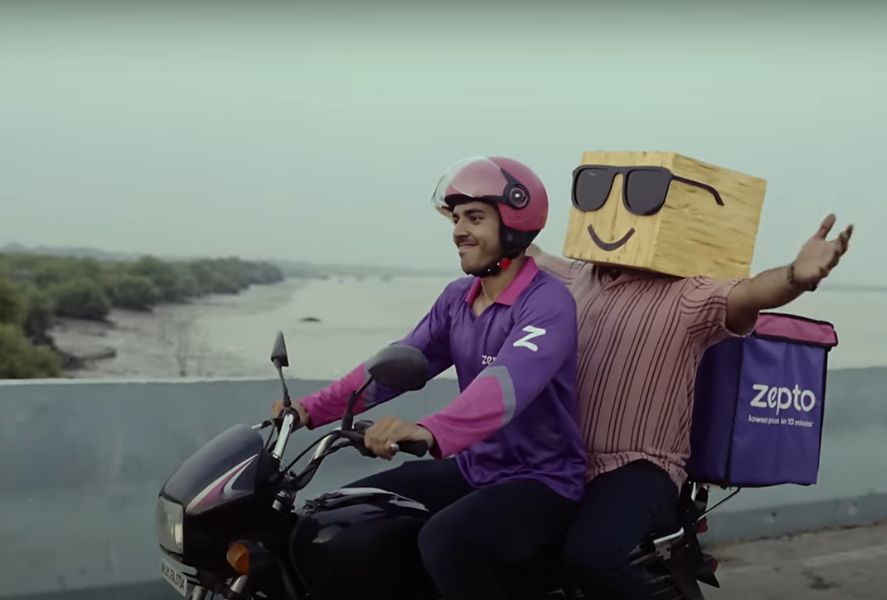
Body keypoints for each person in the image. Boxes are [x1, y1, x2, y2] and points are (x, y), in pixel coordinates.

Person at [274, 157, 587, 600]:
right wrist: (309, 410)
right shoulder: (458, 300)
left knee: (448, 543)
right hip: (474, 467)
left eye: (474, 218)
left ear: (515, 223)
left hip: (541, 479)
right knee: (338, 520)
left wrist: (428, 430)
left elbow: (506, 386)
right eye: (456, 219)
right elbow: (393, 365)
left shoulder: (547, 303)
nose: (459, 230)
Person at [531, 209, 853, 600]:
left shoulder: (689, 295)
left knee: (594, 557)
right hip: (565, 460)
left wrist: (794, 277)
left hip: (640, 467)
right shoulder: (578, 277)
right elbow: (528, 252)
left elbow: (751, 293)